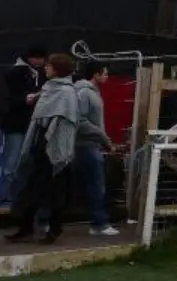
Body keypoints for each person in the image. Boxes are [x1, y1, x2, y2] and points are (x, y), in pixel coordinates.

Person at [5, 53, 77, 245]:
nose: (46, 68)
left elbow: (66, 121)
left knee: (53, 191)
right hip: (40, 145)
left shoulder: (66, 92)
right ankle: (26, 228)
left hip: (54, 147)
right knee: (32, 189)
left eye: (50, 66)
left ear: (58, 69)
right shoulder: (48, 89)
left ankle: (53, 228)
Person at [73, 62, 118, 236]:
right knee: (96, 184)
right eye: (105, 74)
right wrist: (102, 136)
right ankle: (100, 223)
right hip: (86, 144)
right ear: (96, 75)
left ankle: (98, 222)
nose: (107, 77)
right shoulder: (85, 93)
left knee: (91, 184)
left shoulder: (92, 92)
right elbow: (81, 120)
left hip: (91, 143)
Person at [1, 46, 46, 208]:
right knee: (12, 165)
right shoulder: (16, 73)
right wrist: (25, 99)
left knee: (17, 164)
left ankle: (11, 199)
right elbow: (7, 100)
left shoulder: (37, 74)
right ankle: (6, 199)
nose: (41, 62)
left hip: (27, 124)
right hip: (18, 125)